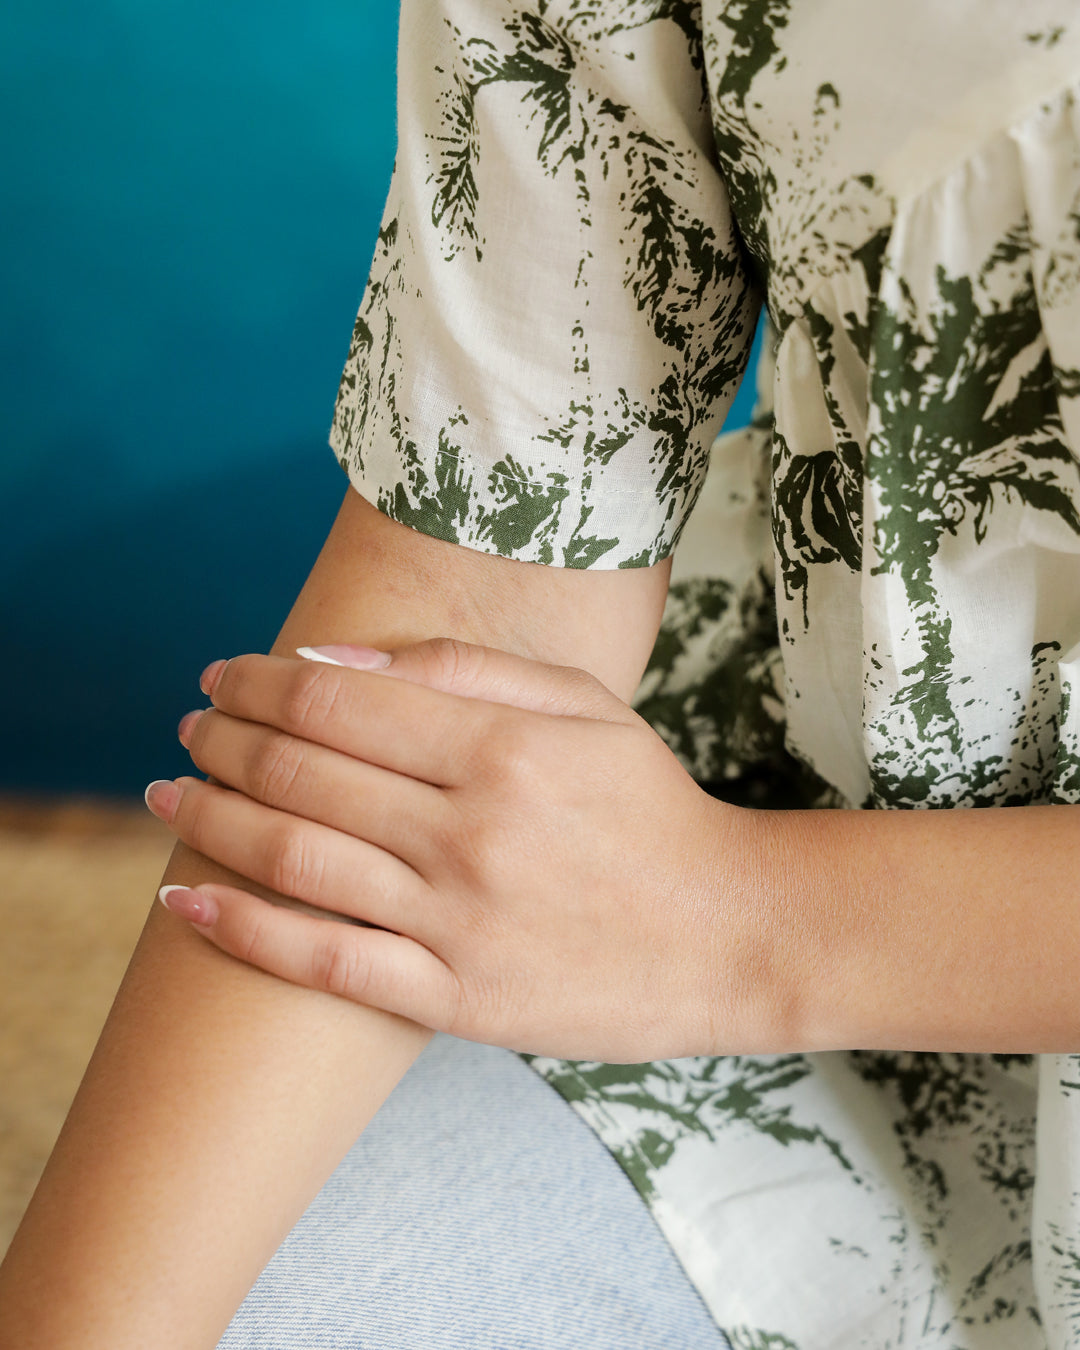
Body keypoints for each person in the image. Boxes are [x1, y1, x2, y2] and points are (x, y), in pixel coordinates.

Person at [3, 1, 1080, 1346]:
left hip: (747, 918)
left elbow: (728, 928)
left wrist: (747, 926)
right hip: (790, 951)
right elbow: (482, 592)